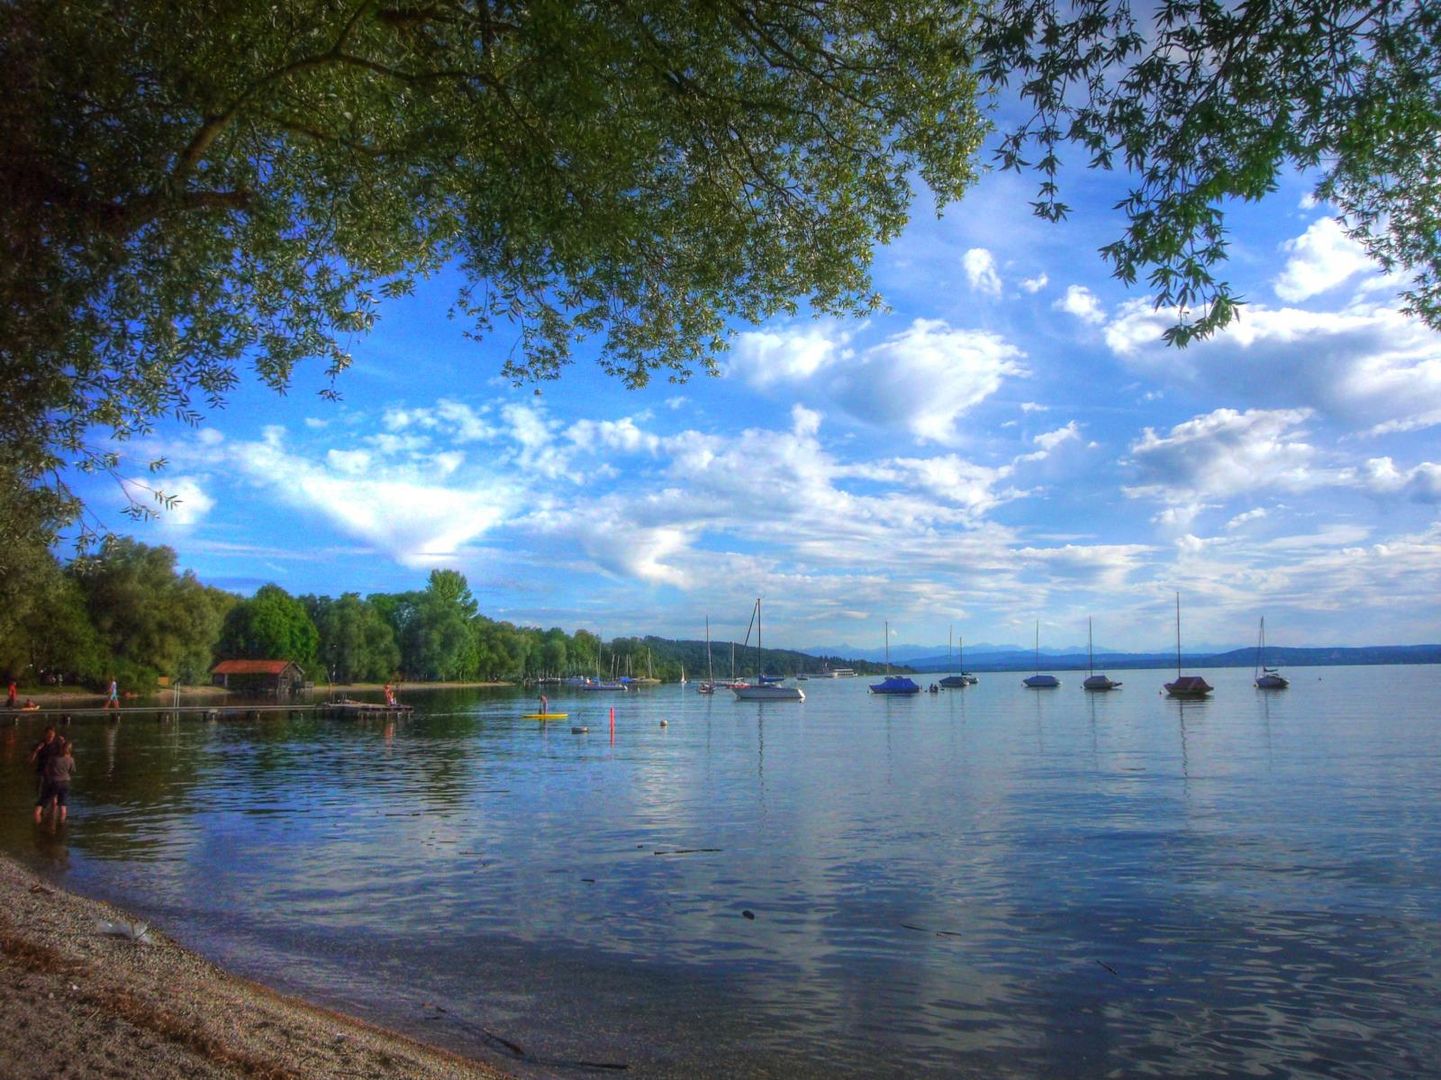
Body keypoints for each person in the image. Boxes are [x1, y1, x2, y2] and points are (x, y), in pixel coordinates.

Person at [37, 736, 75, 825]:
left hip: (54, 781)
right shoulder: (71, 759)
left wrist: (49, 777)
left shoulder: (54, 758)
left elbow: (47, 769)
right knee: (63, 805)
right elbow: (71, 770)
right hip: (66, 782)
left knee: (41, 803)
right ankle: (62, 823)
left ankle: (37, 822)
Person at [29, 726, 58, 813]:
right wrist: (37, 750)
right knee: (41, 795)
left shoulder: (57, 745)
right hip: (42, 772)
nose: (50, 737)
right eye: (49, 735)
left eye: (52, 735)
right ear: (45, 734)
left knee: (54, 797)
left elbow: (65, 755)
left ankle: (53, 815)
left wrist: (64, 742)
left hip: (54, 773)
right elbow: (30, 760)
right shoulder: (40, 744)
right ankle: (42, 814)